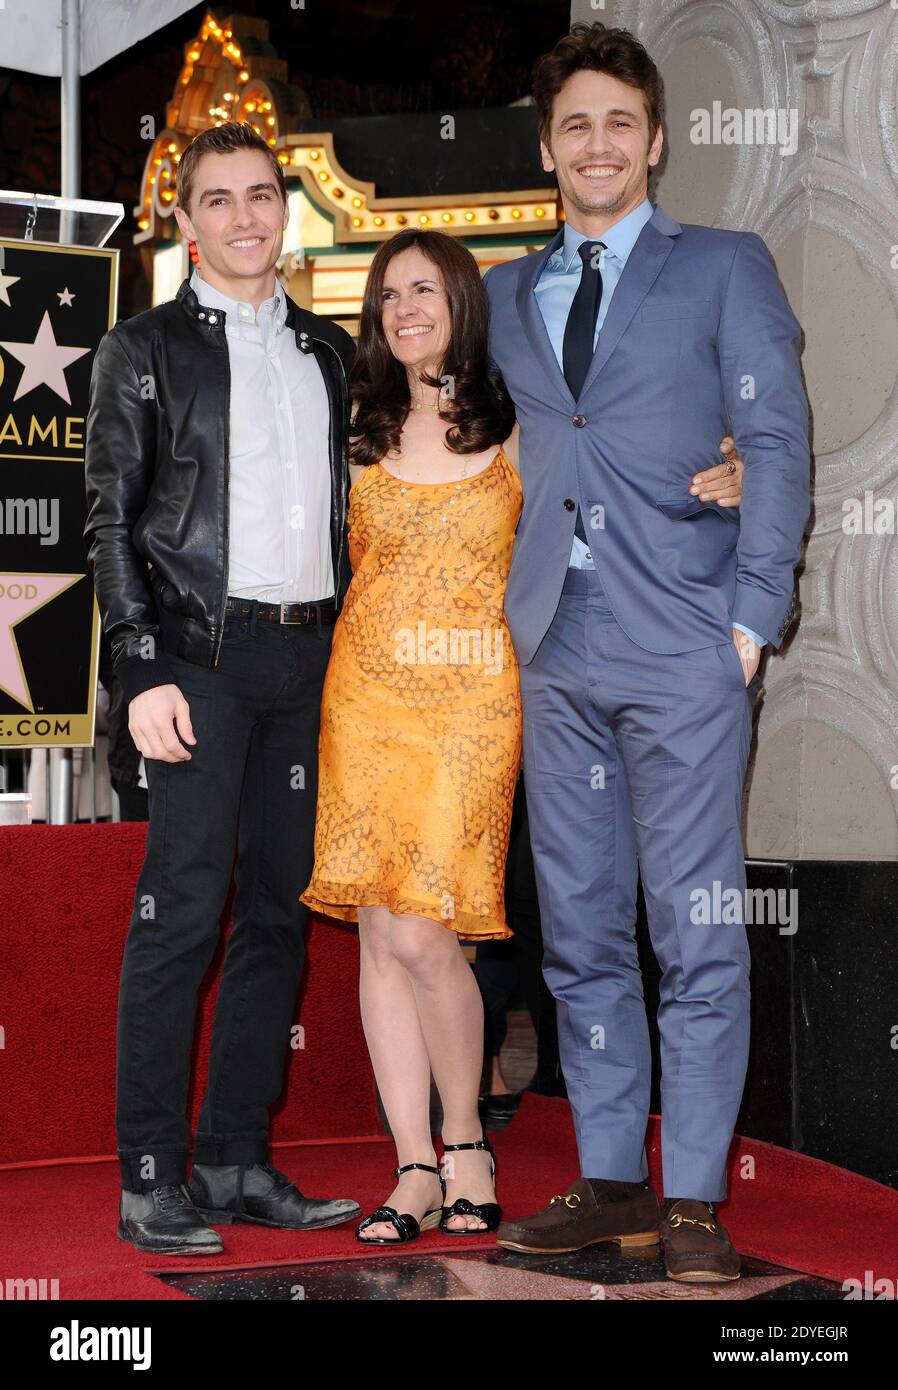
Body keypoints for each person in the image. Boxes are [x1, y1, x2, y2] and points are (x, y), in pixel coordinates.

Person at [299, 227, 745, 1243]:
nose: (404, 309)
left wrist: (732, 461)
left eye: (425, 289)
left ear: (462, 301)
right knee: (378, 931)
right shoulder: (357, 423)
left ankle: (467, 1135)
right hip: (364, 697)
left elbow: (631, 442)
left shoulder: (523, 421)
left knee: (424, 931)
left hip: (473, 700)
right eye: (387, 296)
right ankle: (413, 1163)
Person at [483, 22, 810, 1282]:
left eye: (620, 122)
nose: (598, 143)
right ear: (549, 145)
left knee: (697, 928)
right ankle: (612, 1178)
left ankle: (691, 1201)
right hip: (555, 650)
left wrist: (747, 619)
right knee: (576, 933)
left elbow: (774, 443)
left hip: (683, 643)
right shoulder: (508, 293)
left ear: (656, 142)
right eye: (575, 124)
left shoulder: (724, 265)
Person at [84, 121, 360, 1255]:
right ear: (187, 219)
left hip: (309, 663)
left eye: (262, 196)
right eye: (221, 199)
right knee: (178, 914)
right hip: (197, 660)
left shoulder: (329, 350)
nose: (247, 217)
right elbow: (108, 520)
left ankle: (235, 1157)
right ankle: (149, 1175)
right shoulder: (138, 349)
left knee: (277, 916)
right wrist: (138, 665)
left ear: (281, 210)